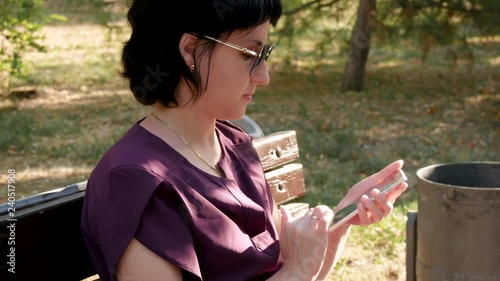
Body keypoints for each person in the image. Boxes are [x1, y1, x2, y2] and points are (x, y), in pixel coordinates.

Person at [80, 0, 408, 280]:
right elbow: (291, 272)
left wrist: (341, 220)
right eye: (250, 53)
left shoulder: (235, 144)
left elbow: (287, 269)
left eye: (265, 53)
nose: (264, 75)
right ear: (191, 50)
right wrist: (297, 270)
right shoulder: (135, 183)